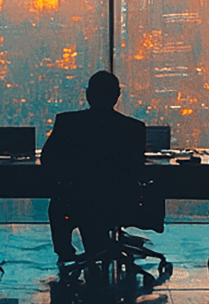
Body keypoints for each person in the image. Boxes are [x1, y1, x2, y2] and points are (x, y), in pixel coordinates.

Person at [41, 70, 146, 263]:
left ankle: (66, 254)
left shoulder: (67, 123)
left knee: (60, 205)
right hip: (120, 202)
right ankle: (99, 247)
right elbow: (137, 169)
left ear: (88, 94)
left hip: (76, 199)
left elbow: (48, 159)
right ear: (117, 96)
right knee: (97, 208)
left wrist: (67, 180)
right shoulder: (133, 128)